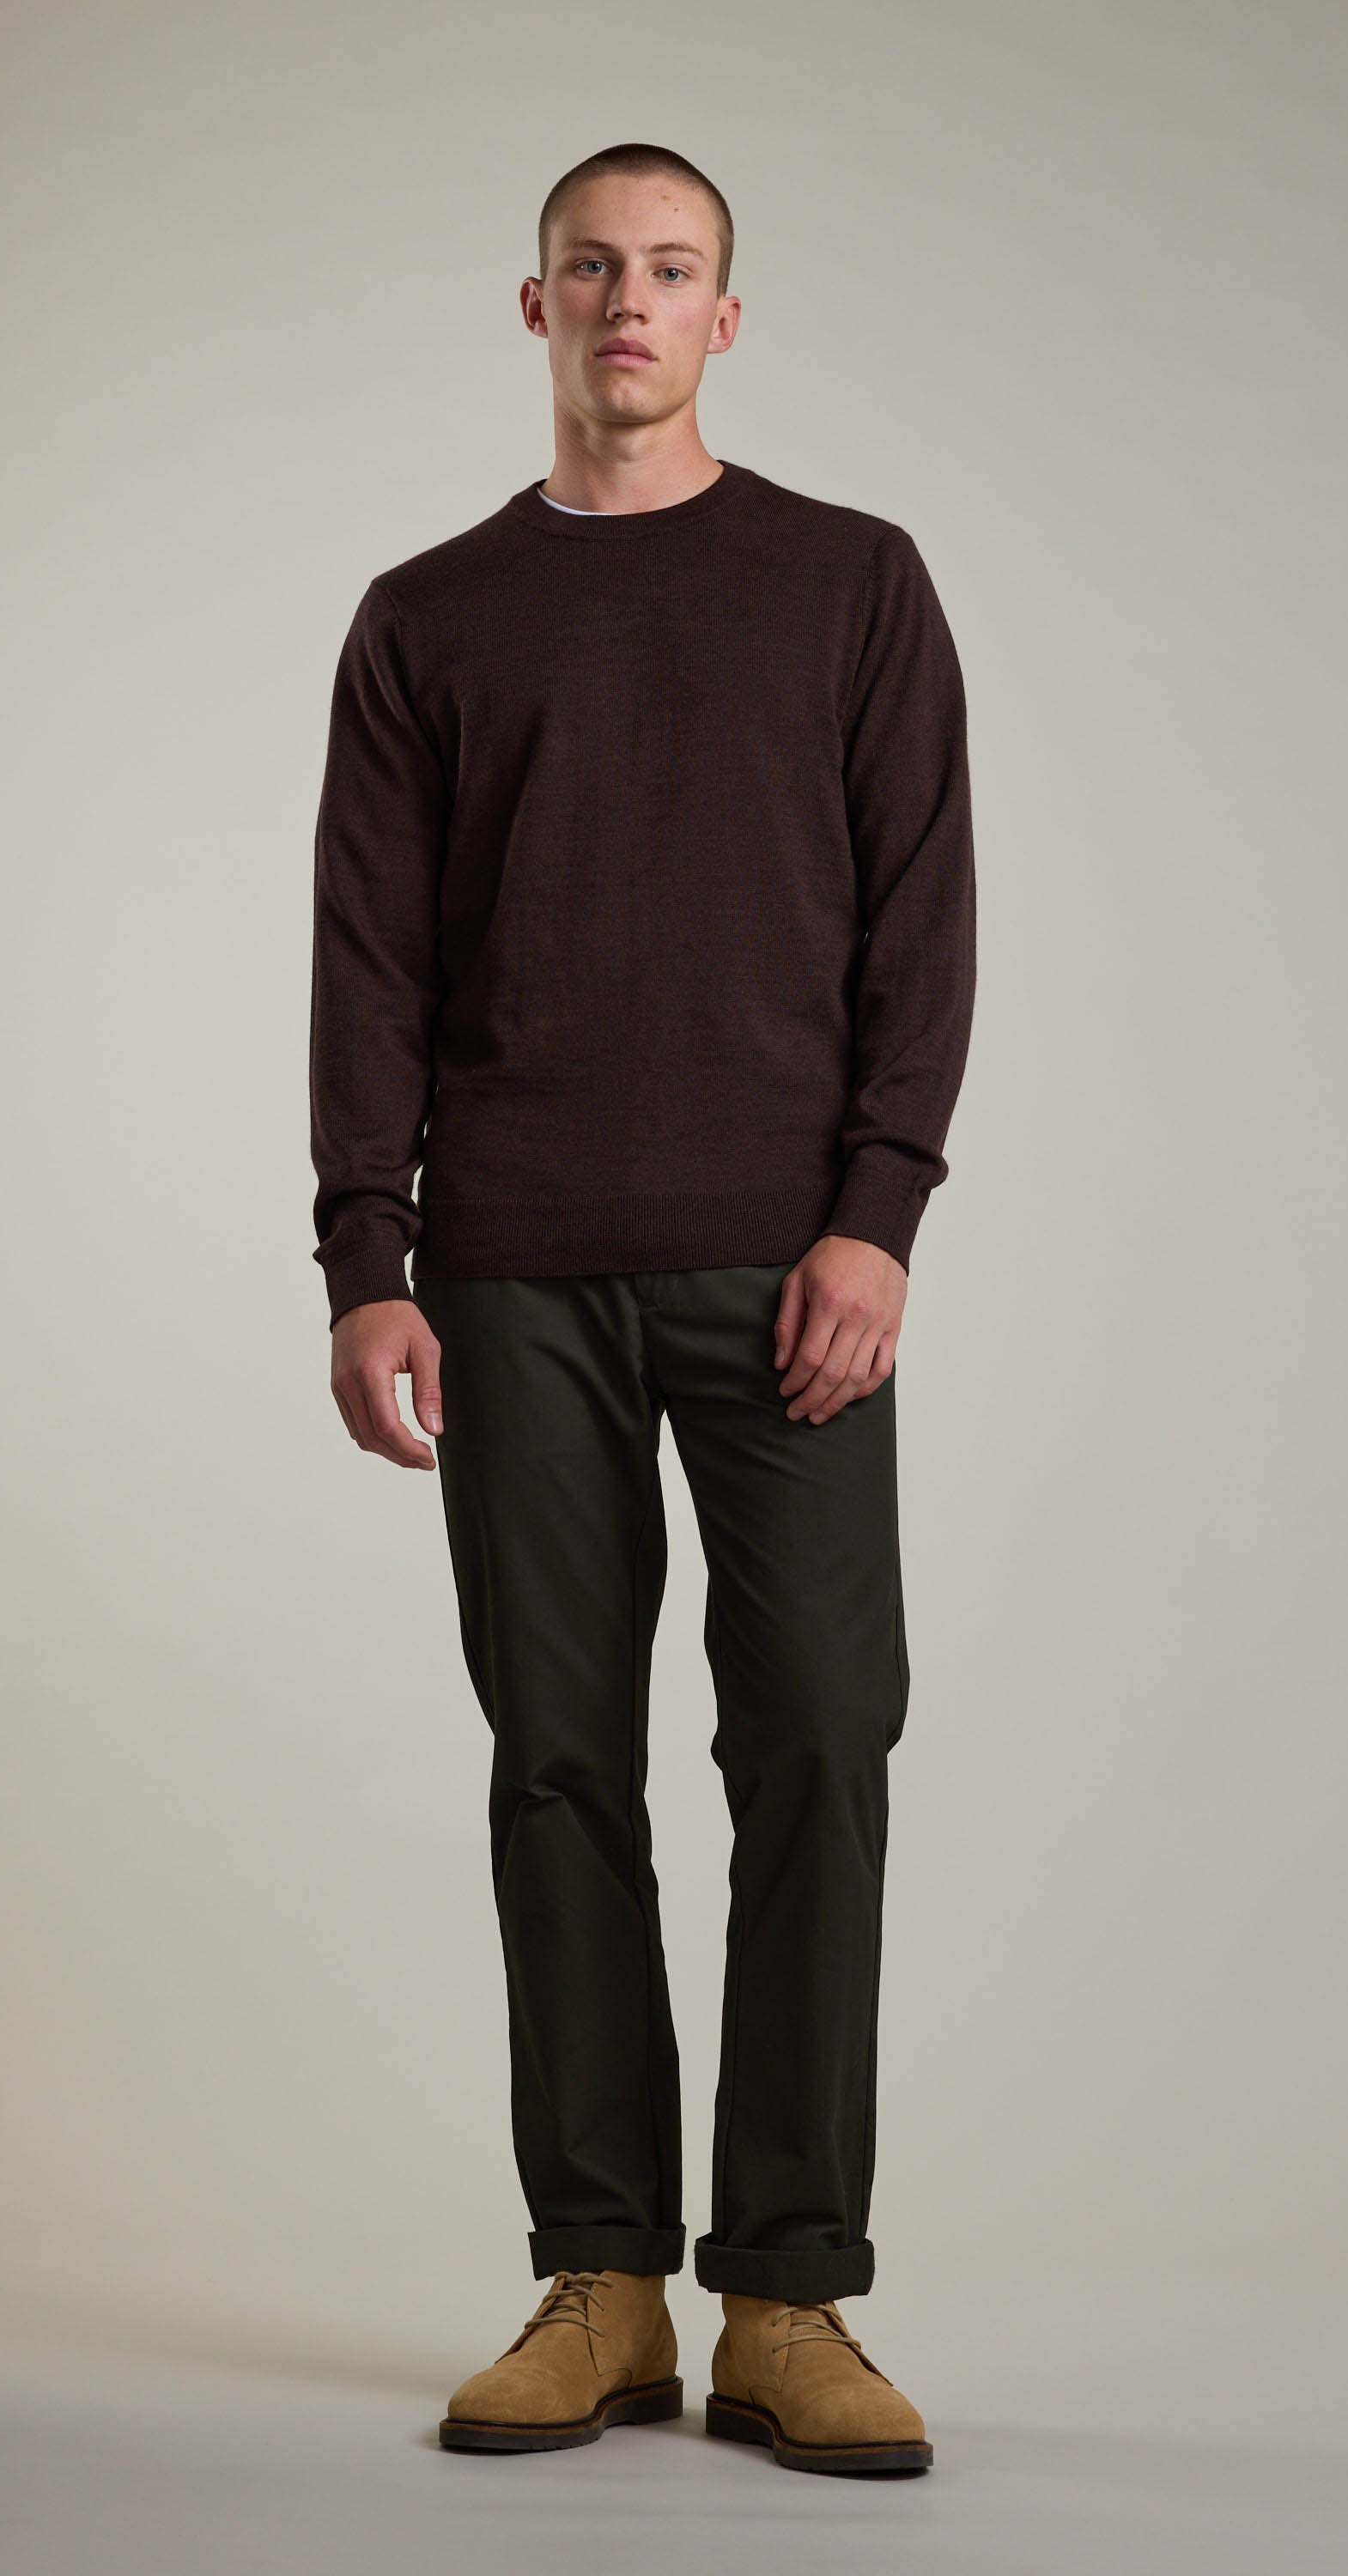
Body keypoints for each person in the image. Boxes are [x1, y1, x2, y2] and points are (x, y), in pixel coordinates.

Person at [308, 141, 976, 2479]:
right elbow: (370, 963)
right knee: (558, 1760)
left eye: (670, 271)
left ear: (723, 320)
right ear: (531, 308)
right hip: (508, 1270)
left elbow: (922, 922)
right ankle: (597, 2282)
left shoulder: (847, 585)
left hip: (782, 1264)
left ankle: (787, 2293)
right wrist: (365, 1262)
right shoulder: (429, 617)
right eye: (590, 267)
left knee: (813, 1741)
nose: (627, 301)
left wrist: (874, 1215)